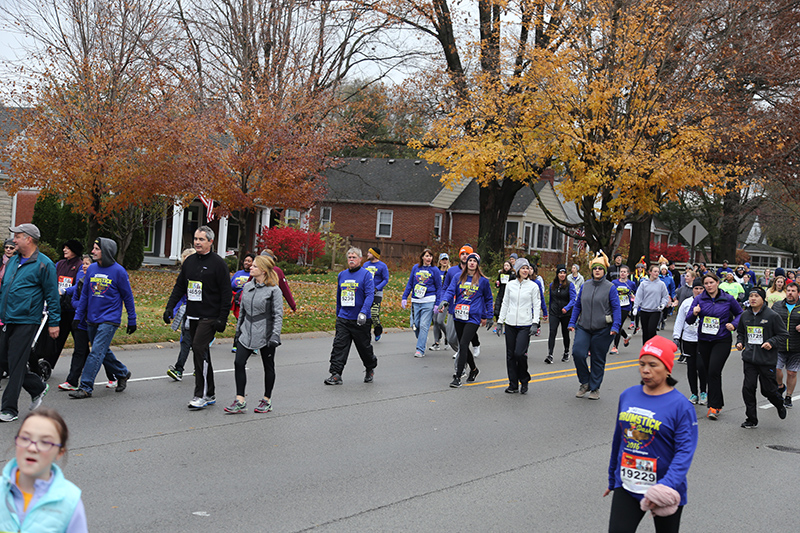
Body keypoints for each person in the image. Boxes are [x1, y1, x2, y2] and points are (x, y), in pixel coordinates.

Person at [603, 336, 698, 533]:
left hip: (665, 487)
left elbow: (684, 452)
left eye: (653, 365)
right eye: (642, 364)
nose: (646, 370)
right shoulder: (628, 395)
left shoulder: (681, 406)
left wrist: (665, 486)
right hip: (627, 484)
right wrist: (613, 478)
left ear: (667, 368)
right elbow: (618, 440)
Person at [163, 226, 232, 409]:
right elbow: (180, 287)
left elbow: (226, 293)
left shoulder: (218, 264)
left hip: (210, 316)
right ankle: (210, 393)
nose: (197, 242)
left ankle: (199, 394)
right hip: (192, 314)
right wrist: (170, 307)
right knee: (202, 353)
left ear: (210, 241)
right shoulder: (190, 262)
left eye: (201, 239)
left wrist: (222, 318)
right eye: (195, 239)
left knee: (198, 348)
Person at [0, 224, 58, 422]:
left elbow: (52, 295)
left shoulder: (44, 264)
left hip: (27, 319)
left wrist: (54, 322)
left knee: (15, 363)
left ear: (29, 239)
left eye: (17, 236)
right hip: (7, 318)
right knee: (3, 359)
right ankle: (37, 386)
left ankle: (9, 409)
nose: (13, 240)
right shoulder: (12, 261)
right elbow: (5, 289)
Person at [0, 408, 87, 531]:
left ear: (60, 452)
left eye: (45, 442)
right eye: (25, 438)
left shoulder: (70, 501)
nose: (32, 448)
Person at [69, 238, 135, 400]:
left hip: (110, 319)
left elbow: (128, 297)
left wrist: (132, 319)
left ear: (106, 251)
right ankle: (122, 372)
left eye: (96, 249)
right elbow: (84, 295)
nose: (93, 252)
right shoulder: (91, 269)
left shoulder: (119, 271)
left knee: (96, 352)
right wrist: (78, 316)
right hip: (91, 318)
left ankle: (85, 387)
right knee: (102, 351)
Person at [225, 255, 283, 414]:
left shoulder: (274, 290)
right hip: (247, 333)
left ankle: (267, 400)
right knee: (238, 363)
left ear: (263, 271)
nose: (251, 267)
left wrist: (275, 335)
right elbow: (242, 311)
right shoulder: (247, 287)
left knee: (268, 367)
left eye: (255, 266)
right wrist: (238, 332)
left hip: (266, 335)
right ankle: (240, 400)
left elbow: (278, 315)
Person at [685, 272, 743, 420]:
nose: (709, 286)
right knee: (706, 371)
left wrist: (734, 324)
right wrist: (694, 312)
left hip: (721, 340)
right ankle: (718, 403)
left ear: (717, 283)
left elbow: (741, 314)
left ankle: (714, 406)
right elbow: (689, 320)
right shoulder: (699, 299)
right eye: (706, 283)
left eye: (711, 282)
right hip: (704, 340)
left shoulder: (728, 298)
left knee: (713, 371)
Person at [58, 255, 115, 392]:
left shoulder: (97, 283)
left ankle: (115, 375)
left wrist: (87, 306)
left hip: (95, 322)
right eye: (83, 264)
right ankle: (72, 381)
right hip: (81, 322)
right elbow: (75, 300)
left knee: (101, 352)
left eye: (87, 264)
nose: (84, 266)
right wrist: (79, 306)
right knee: (79, 351)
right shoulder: (81, 282)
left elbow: (98, 301)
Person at [569, 251, 621, 400]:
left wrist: (615, 327)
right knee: (578, 353)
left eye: (600, 268)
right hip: (584, 327)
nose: (597, 271)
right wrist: (572, 322)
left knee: (597, 359)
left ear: (604, 271)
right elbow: (578, 306)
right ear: (592, 270)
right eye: (595, 268)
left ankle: (595, 388)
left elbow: (616, 308)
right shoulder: (585, 285)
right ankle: (585, 382)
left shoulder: (610, 287)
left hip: (603, 329)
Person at [736, 287, 788, 428]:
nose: (753, 298)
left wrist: (771, 342)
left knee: (768, 390)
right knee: (748, 388)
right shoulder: (745, 315)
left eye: (756, 296)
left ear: (763, 299)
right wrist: (740, 342)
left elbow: (783, 335)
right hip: (749, 360)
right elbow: (741, 332)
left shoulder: (772, 316)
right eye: (751, 296)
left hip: (766, 360)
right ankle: (751, 419)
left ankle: (779, 403)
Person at [324, 247, 377, 385]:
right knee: (339, 346)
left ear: (360, 259)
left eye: (354, 257)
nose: (351, 260)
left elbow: (370, 295)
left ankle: (370, 367)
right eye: (349, 257)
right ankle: (336, 374)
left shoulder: (366, 275)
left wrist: (364, 312)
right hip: (344, 318)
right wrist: (338, 313)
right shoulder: (342, 275)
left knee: (364, 347)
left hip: (360, 319)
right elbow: (339, 295)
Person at [440, 253, 493, 388]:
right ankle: (474, 369)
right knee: (463, 345)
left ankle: (457, 377)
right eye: (470, 260)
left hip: (473, 317)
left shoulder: (483, 281)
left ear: (477, 264)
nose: (471, 263)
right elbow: (450, 291)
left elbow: (488, 299)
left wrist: (489, 316)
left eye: (474, 261)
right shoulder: (458, 278)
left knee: (463, 344)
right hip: (459, 315)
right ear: (466, 263)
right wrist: (445, 301)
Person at [36, 240, 84, 379]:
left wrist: (64, 290)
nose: (64, 250)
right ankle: (47, 365)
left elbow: (79, 285)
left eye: (68, 248)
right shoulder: (60, 264)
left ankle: (88, 365)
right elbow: (52, 280)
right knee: (56, 338)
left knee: (80, 342)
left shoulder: (80, 266)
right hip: (60, 307)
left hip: (73, 310)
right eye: (64, 247)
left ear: (75, 250)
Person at [498, 258, 541, 393]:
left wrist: (535, 323)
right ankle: (513, 384)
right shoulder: (510, 285)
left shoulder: (533, 286)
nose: (525, 270)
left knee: (519, 354)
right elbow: (505, 303)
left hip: (525, 324)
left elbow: (537, 304)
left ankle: (524, 378)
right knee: (510, 355)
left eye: (527, 268)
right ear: (517, 270)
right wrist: (500, 321)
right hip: (510, 323)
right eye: (522, 268)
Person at [402, 248, 442, 357]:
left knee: (424, 325)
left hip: (429, 300)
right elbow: (410, 283)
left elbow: (439, 287)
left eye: (430, 256)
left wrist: (437, 303)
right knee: (414, 324)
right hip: (416, 301)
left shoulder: (435, 270)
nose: (428, 258)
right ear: (422, 257)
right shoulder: (416, 268)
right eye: (426, 255)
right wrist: (404, 297)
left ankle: (420, 349)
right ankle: (422, 338)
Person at [442, 245, 481, 358]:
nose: (465, 256)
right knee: (450, 338)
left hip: (471, 307)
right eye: (463, 254)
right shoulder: (452, 271)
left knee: (466, 333)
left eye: (467, 254)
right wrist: (443, 300)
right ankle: (462, 350)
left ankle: (464, 352)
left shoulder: (476, 273)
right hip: (454, 307)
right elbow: (446, 288)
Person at [673, 278, 707, 404]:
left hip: (703, 339)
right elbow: (680, 320)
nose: (698, 291)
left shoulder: (708, 302)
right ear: (692, 289)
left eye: (701, 289)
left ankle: (703, 391)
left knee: (701, 365)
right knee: (691, 367)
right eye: (696, 289)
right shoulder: (687, 303)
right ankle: (694, 393)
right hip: (688, 339)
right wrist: (676, 337)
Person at [166, 248, 197, 382]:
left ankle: (201, 368)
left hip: (202, 316)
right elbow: (177, 294)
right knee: (185, 342)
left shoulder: (203, 274)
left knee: (199, 345)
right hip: (188, 314)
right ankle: (179, 369)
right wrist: (170, 310)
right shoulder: (184, 277)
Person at [771, 280, 800, 409]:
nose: (790, 293)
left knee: (792, 373)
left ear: (798, 293)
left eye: (793, 291)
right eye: (788, 290)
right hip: (779, 345)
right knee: (776, 369)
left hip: (796, 346)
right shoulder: (777, 306)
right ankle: (781, 386)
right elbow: (769, 320)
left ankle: (788, 397)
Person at [632, 265, 670, 344]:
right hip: (644, 310)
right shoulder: (644, 284)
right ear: (650, 272)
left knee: (651, 330)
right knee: (645, 331)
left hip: (655, 310)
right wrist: (635, 307)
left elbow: (665, 296)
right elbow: (639, 296)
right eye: (655, 271)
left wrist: (663, 304)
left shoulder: (661, 284)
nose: (656, 273)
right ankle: (645, 348)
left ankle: (653, 346)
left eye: (657, 272)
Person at [546, 264, 576, 363]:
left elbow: (573, 300)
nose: (562, 275)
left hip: (565, 314)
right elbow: (551, 300)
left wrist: (566, 308)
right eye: (560, 273)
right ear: (557, 274)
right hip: (554, 312)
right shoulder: (552, 285)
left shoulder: (569, 285)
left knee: (565, 333)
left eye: (564, 273)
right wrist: (549, 311)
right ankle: (550, 354)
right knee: (552, 332)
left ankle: (566, 352)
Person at [230, 252, 256, 353]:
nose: (247, 263)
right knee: (240, 324)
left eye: (249, 261)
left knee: (248, 324)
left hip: (250, 303)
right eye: (245, 260)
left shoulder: (255, 274)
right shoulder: (238, 274)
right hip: (238, 303)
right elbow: (229, 286)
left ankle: (253, 345)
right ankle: (237, 344)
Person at [363, 247, 390, 341]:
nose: (367, 254)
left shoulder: (382, 266)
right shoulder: (365, 265)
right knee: (365, 313)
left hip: (377, 293)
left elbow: (385, 279)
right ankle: (366, 333)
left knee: (374, 313)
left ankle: (378, 329)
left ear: (374, 254)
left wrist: (377, 288)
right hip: (366, 293)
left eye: (369, 253)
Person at [611, 265, 636, 354]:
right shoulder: (614, 282)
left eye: (624, 272)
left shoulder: (631, 284)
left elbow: (635, 293)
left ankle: (615, 347)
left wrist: (633, 296)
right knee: (613, 324)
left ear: (628, 274)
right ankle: (625, 336)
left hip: (625, 307)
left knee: (618, 325)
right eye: (621, 272)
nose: (622, 273)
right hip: (615, 306)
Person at [430, 253, 450, 350]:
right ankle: (436, 342)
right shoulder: (436, 271)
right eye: (443, 259)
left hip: (445, 299)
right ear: (440, 261)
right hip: (436, 298)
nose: (444, 261)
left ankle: (448, 335)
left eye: (446, 259)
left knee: (440, 320)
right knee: (435, 321)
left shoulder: (449, 272)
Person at [493, 260, 516, 327]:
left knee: (508, 310)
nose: (506, 267)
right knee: (497, 309)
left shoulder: (512, 274)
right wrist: (497, 284)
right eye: (505, 265)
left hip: (509, 293)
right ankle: (498, 324)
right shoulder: (501, 273)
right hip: (501, 292)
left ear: (510, 266)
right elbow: (498, 283)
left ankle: (507, 326)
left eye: (507, 265)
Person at [657, 265, 676, 330]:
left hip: (667, 295)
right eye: (662, 269)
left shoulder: (670, 278)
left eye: (665, 269)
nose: (664, 271)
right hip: (659, 295)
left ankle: (663, 321)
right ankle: (658, 324)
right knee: (660, 310)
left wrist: (673, 296)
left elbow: (672, 288)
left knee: (665, 311)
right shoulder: (658, 278)